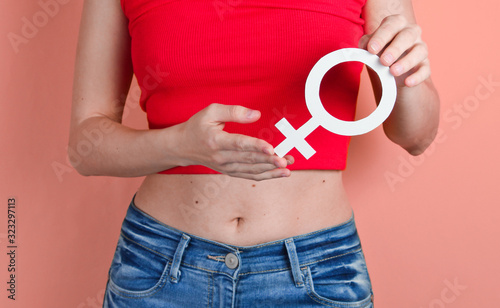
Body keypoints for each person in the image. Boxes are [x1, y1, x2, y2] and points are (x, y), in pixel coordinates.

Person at [69, 0, 439, 307]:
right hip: (160, 267)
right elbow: (86, 147)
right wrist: (179, 144)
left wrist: (405, 73)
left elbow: (416, 136)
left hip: (317, 271)